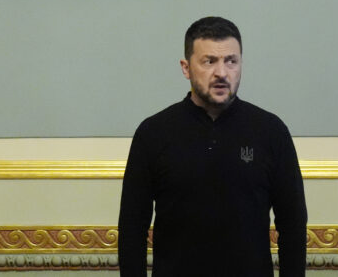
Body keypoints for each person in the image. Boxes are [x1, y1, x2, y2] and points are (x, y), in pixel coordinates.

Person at [117, 16, 307, 276]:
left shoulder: (271, 131)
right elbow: (131, 227)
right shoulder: (153, 133)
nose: (221, 73)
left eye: (231, 61)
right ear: (186, 68)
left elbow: (293, 224)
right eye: (209, 61)